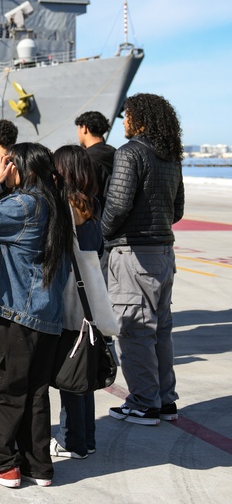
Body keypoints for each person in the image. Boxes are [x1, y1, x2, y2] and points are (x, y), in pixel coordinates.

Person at [0, 143, 72, 488]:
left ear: (25, 169)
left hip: (14, 314)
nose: (4, 170)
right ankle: (37, 465)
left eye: (10, 165)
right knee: (35, 391)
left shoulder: (24, 203)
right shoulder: (54, 204)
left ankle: (1, 464)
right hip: (44, 316)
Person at [102, 94, 184, 426]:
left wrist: (102, 233)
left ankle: (143, 403)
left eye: (127, 116)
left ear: (141, 119)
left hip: (133, 254)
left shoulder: (130, 152)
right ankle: (164, 400)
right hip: (164, 253)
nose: (123, 122)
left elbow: (118, 205)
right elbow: (177, 210)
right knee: (161, 330)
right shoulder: (171, 157)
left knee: (135, 331)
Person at [51, 145, 104, 458]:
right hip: (90, 297)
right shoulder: (92, 204)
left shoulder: (67, 205)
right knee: (83, 368)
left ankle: (72, 440)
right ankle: (87, 437)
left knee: (70, 370)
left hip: (70, 297)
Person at [75, 111, 116, 211]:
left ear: (84, 128)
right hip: (112, 213)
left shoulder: (84, 157)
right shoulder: (116, 153)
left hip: (92, 214)